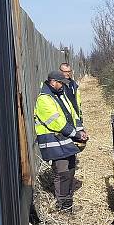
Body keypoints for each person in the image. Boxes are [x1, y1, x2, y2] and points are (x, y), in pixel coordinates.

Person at [34, 71, 88, 211]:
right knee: (62, 172)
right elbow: (57, 123)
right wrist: (76, 134)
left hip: (64, 140)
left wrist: (80, 130)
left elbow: (73, 115)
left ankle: (68, 203)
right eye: (61, 83)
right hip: (53, 141)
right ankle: (63, 206)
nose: (63, 85)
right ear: (53, 82)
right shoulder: (44, 100)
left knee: (70, 170)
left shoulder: (60, 95)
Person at [59, 62, 86, 140]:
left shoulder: (73, 84)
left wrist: (80, 118)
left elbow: (77, 103)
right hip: (65, 119)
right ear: (60, 71)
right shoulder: (58, 85)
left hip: (75, 116)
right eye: (65, 72)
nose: (68, 74)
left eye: (69, 71)